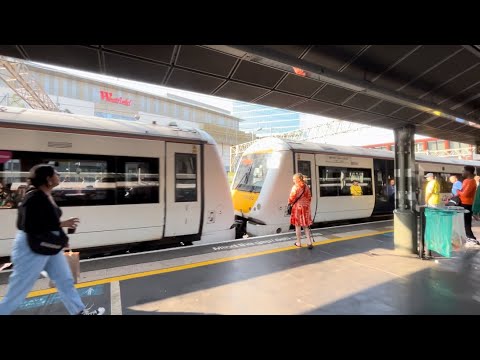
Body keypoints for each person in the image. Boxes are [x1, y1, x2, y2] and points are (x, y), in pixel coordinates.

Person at [0, 164, 105, 315]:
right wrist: (59, 238)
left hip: (48, 245)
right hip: (32, 247)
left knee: (65, 280)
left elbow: (42, 221)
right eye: (56, 173)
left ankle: (79, 312)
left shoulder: (45, 194)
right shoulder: (33, 197)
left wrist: (62, 225)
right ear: (48, 179)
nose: (59, 175)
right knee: (18, 290)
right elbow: (28, 226)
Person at [288, 173, 313, 249]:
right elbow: (309, 197)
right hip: (306, 208)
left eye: (294, 179)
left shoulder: (295, 187)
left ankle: (298, 242)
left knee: (298, 226)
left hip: (298, 208)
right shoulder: (307, 187)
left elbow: (291, 198)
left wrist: (289, 203)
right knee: (305, 226)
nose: (293, 181)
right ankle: (309, 242)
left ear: (298, 179)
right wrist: (305, 203)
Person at [457, 165, 478, 244]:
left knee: (466, 222)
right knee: (463, 222)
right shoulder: (465, 181)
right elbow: (462, 192)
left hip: (467, 204)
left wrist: (458, 192)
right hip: (463, 203)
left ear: (468, 172)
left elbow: (465, 194)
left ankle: (471, 238)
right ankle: (467, 237)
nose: (462, 172)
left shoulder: (471, 182)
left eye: (463, 170)